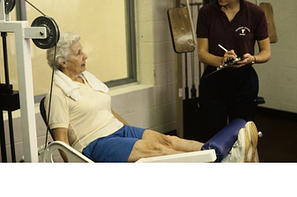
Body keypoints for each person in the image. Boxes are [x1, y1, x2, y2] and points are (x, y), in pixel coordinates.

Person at [44, 31, 256, 163]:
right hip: (95, 142)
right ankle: (217, 164)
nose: (85, 55)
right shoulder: (58, 93)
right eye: (78, 53)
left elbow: (106, 112)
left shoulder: (86, 78)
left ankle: (221, 155)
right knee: (157, 150)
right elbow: (61, 142)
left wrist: (131, 133)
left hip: (118, 130)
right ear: (62, 62)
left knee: (167, 139)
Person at [196, 0, 271, 142]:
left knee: (242, 136)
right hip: (214, 80)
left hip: (244, 81)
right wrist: (221, 60)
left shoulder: (256, 13)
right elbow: (202, 54)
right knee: (213, 136)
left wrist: (252, 58)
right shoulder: (206, 13)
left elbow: (266, 52)